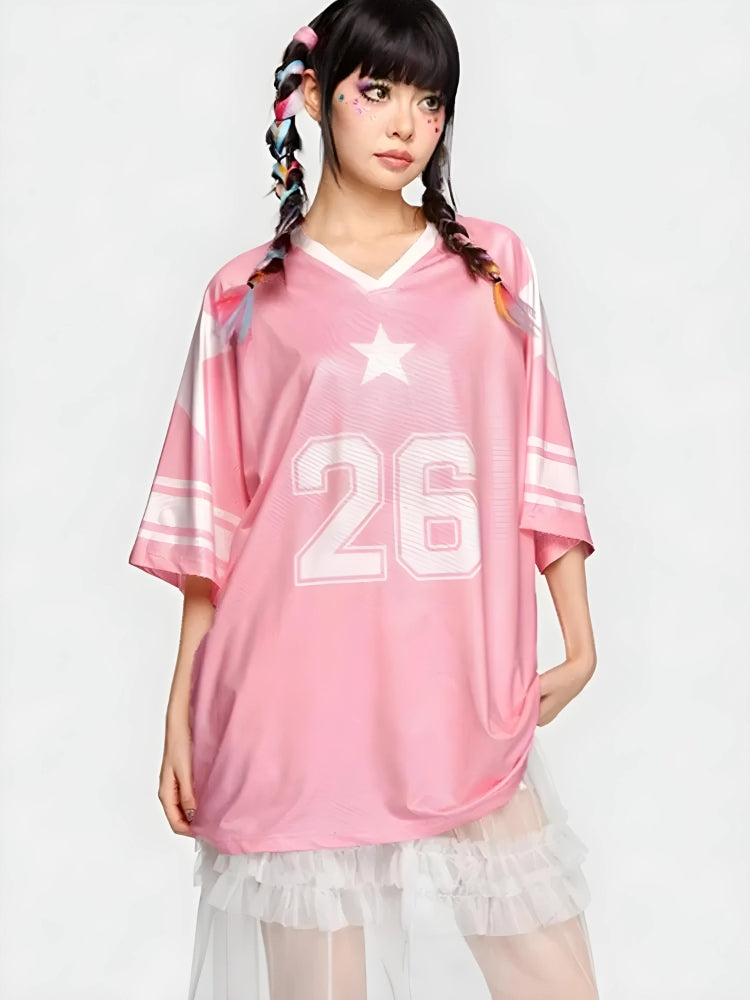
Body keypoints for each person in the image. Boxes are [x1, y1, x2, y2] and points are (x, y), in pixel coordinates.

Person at [128, 1, 601, 996]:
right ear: (313, 95)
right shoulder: (244, 298)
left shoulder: (493, 270)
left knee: (555, 979)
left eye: (430, 101)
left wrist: (580, 634)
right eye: (376, 91)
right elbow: (212, 526)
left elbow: (540, 448)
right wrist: (179, 710)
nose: (405, 126)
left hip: (456, 689)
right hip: (292, 704)